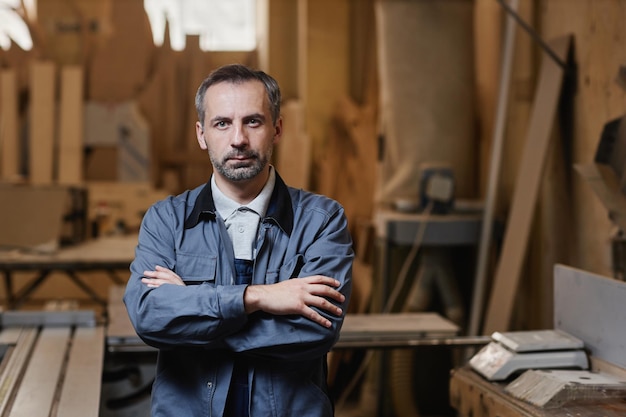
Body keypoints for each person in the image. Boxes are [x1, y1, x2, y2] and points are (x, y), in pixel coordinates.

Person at [123, 63, 353, 417]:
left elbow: (316, 328)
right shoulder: (166, 220)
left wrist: (189, 307)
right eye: (222, 123)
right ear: (201, 134)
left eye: (253, 121)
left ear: (276, 129)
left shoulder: (322, 221)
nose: (238, 139)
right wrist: (257, 297)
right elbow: (149, 317)